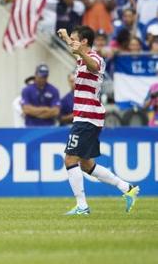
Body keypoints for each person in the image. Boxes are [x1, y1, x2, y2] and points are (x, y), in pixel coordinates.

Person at [57, 25, 139, 215]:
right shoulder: (81, 57)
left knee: (69, 158)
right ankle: (127, 188)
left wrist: (77, 50)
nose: (73, 42)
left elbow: (92, 66)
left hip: (87, 116)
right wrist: (66, 37)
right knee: (86, 164)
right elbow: (76, 51)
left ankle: (82, 206)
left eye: (76, 39)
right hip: (87, 116)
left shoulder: (95, 58)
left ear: (84, 41)